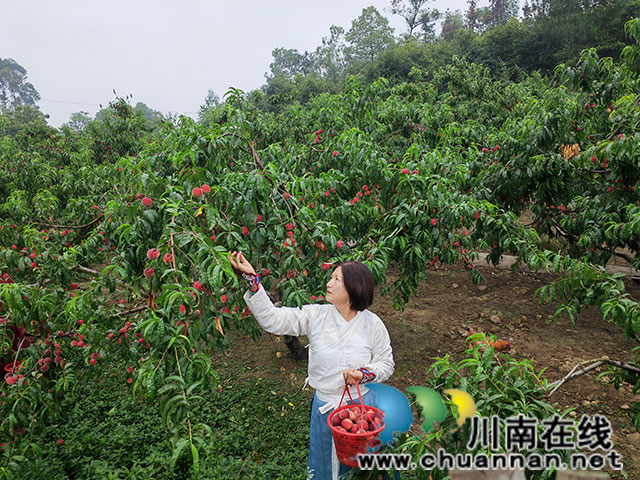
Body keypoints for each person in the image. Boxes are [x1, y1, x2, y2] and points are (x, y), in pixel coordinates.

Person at [228, 251, 395, 480]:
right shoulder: (315, 316)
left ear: (353, 287)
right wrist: (253, 282)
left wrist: (364, 374)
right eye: (332, 277)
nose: (329, 283)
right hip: (327, 409)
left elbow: (386, 362)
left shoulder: (372, 324)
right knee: (327, 467)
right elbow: (273, 319)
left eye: (337, 279)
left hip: (363, 411)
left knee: (367, 467)